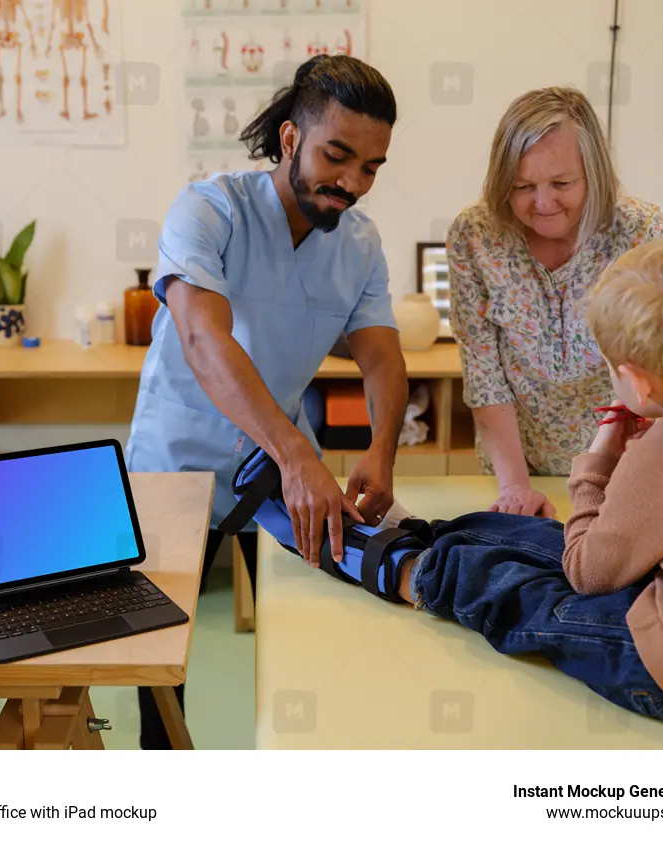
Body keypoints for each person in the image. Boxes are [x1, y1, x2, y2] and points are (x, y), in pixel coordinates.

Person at [314, 235, 663, 731]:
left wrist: (600, 457)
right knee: (542, 539)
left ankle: (412, 567)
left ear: (639, 384)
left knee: (523, 595)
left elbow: (586, 573)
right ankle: (433, 532)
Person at [124, 54, 408, 749]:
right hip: (178, 466)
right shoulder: (209, 209)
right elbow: (199, 335)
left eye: (371, 168)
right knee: (159, 665)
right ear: (289, 139)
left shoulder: (360, 246)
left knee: (313, 628)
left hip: (269, 474)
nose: (352, 183)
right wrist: (296, 452)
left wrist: (380, 450)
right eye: (337, 157)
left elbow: (381, 356)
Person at [447, 86, 663, 519]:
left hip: (625, 464)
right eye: (523, 186)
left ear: (594, 172)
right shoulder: (475, 236)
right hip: (515, 464)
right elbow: (483, 371)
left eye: (562, 183)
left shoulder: (643, 234)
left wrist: (620, 474)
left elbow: (660, 370)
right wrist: (515, 486)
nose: (543, 203)